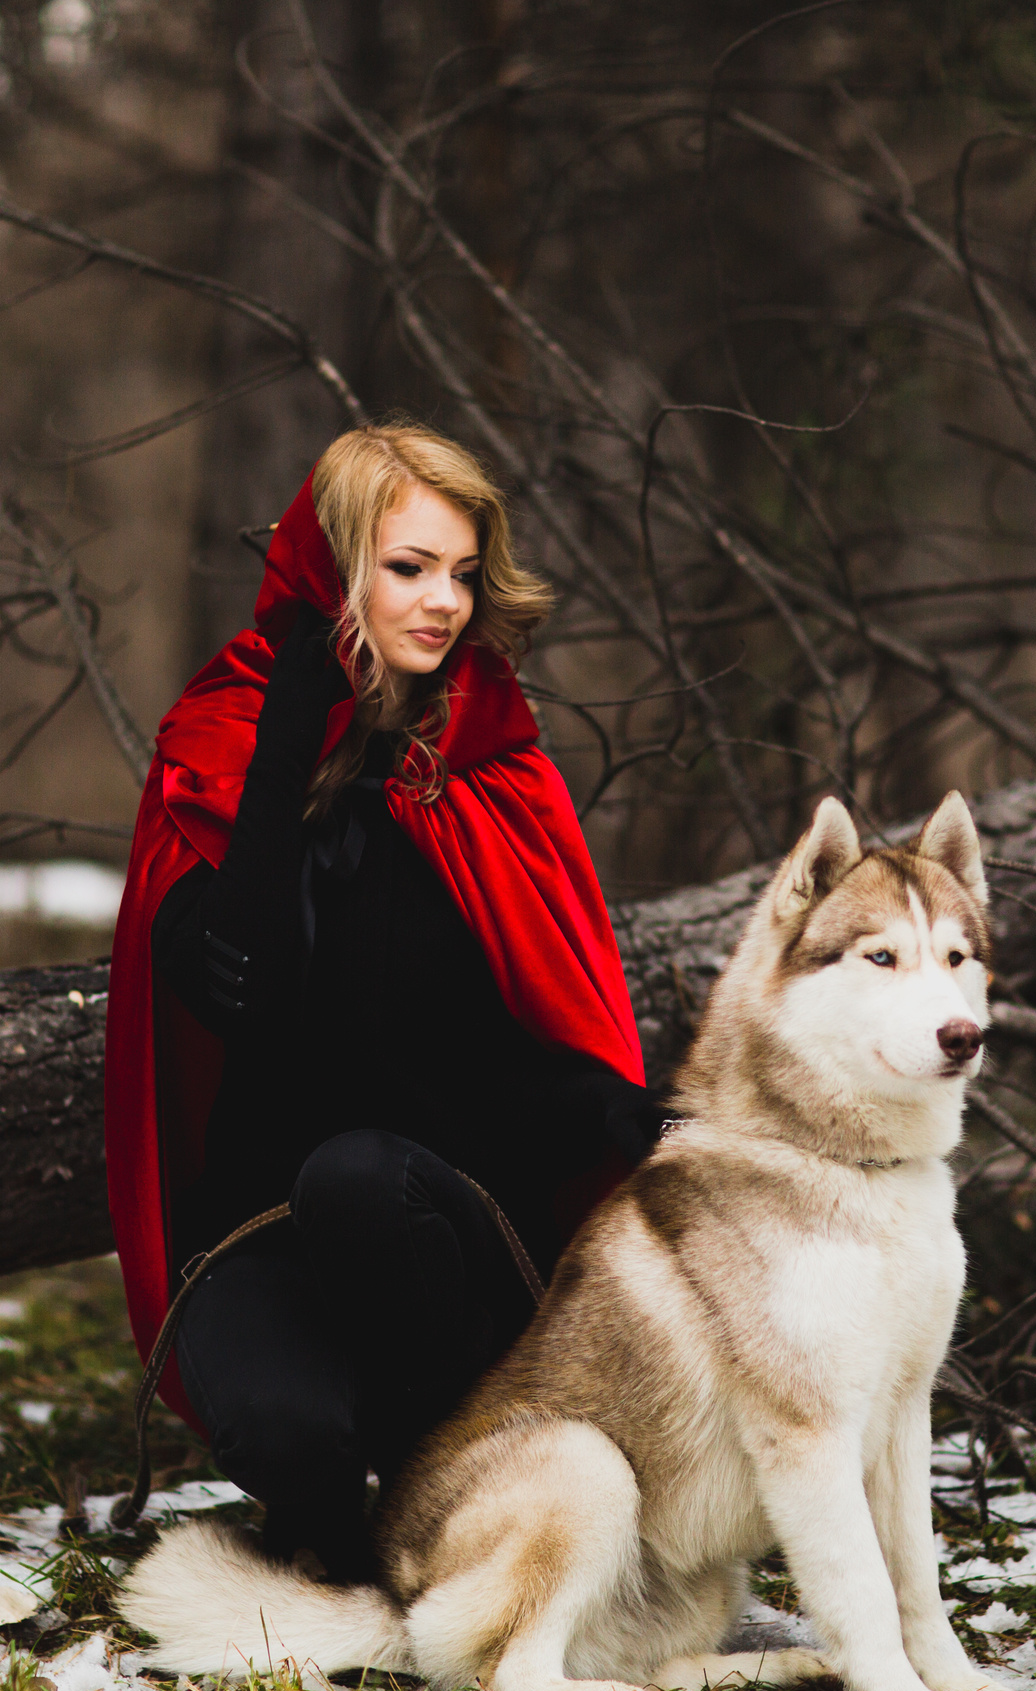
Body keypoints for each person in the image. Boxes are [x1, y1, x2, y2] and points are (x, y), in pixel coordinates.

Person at [102, 423, 658, 1583]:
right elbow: (240, 990)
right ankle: (350, 1539)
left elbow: (529, 1044)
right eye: (408, 568)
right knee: (291, 1433)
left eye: (461, 572)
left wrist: (630, 1125)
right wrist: (292, 741)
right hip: (264, 1233)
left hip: (447, 1238)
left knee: (358, 1172)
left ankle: (443, 1478)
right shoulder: (218, 747)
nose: (445, 603)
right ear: (330, 571)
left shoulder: (490, 770)